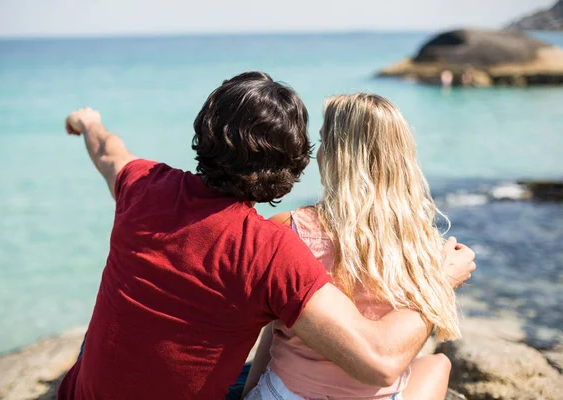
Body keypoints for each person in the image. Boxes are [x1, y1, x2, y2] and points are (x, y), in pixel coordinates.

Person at [57, 72, 476, 400]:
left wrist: (88, 121)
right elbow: (379, 360)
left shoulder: (145, 185)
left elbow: (108, 150)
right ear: (293, 167)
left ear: (204, 129)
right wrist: (440, 279)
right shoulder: (270, 251)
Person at [244, 93, 467, 400]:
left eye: (324, 143)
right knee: (437, 363)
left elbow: (273, 325)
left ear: (341, 156)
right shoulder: (421, 244)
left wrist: (249, 392)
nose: (316, 155)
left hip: (287, 394)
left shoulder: (290, 228)